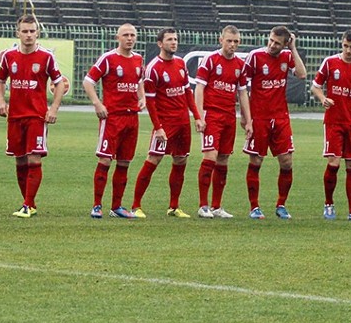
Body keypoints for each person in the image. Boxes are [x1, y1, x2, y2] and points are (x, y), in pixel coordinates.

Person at [0, 15, 68, 218]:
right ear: (17, 33)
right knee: (20, 161)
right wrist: (0, 101)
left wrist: (54, 108)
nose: (29, 35)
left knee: (34, 158)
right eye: (25, 31)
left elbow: (60, 82)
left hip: (36, 116)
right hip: (15, 117)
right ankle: (30, 203)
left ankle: (27, 205)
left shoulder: (46, 57)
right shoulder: (9, 56)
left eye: (32, 31)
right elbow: (0, 80)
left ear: (37, 33)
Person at [130, 28, 202, 219]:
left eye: (175, 39)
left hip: (182, 123)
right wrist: (158, 127)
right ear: (160, 44)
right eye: (169, 39)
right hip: (165, 124)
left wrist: (196, 116)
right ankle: (135, 206)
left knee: (181, 160)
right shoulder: (153, 68)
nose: (174, 42)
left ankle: (173, 206)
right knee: (153, 159)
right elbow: (151, 102)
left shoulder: (180, 63)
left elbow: (188, 92)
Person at [242, 25, 306, 220]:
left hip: (280, 118)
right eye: (270, 40)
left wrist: (293, 48)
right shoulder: (255, 56)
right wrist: (246, 118)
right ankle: (254, 207)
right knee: (256, 160)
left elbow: (302, 75)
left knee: (287, 162)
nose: (271, 45)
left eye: (277, 43)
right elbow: (242, 87)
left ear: (285, 44)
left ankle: (281, 205)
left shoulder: (287, 57)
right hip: (259, 117)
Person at [311, 30, 351, 222]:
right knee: (334, 162)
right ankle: (328, 204)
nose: (348, 50)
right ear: (342, 43)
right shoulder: (330, 63)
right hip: (334, 121)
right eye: (346, 46)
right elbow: (315, 85)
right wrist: (323, 98)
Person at [83, 23, 145, 219]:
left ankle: (116, 206)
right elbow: (88, 81)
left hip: (132, 118)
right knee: (105, 159)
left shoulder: (138, 59)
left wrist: (141, 97)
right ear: (117, 38)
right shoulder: (108, 59)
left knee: (125, 162)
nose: (129, 38)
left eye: (132, 35)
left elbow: (139, 81)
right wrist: (97, 104)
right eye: (125, 35)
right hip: (112, 118)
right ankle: (97, 205)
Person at [195, 25, 252, 219]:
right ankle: (203, 206)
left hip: (229, 116)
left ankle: (217, 206)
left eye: (236, 42)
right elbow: (199, 88)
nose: (232, 45)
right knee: (210, 157)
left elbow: (242, 93)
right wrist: (199, 116)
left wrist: (248, 120)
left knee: (223, 159)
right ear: (221, 40)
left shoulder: (240, 65)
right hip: (212, 115)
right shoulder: (210, 60)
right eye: (229, 41)